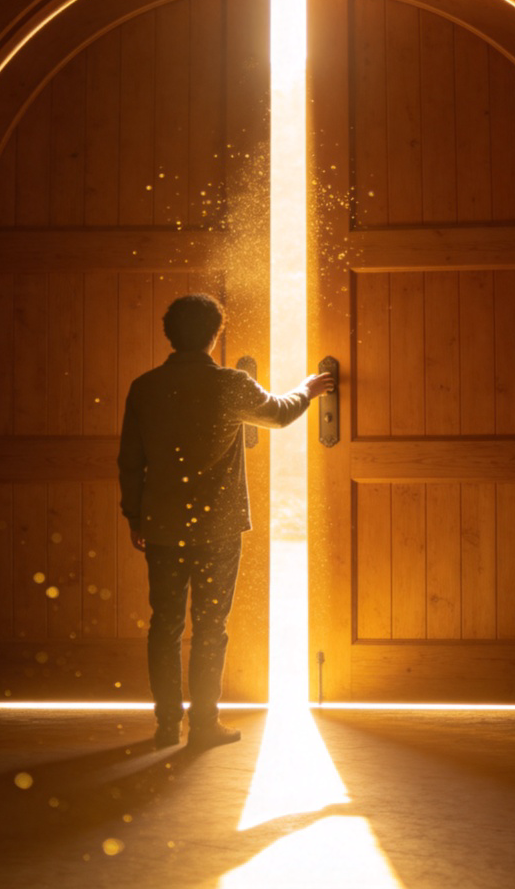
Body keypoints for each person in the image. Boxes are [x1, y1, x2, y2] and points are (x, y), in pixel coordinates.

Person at [117, 293, 334, 750]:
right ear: (215, 336)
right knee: (210, 625)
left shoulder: (145, 387)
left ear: (170, 335)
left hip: (162, 524)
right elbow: (279, 413)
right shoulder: (230, 385)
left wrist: (135, 515)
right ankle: (203, 726)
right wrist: (308, 390)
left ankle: (164, 726)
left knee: (166, 624)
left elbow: (129, 461)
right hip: (217, 527)